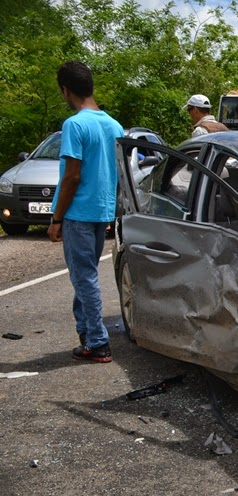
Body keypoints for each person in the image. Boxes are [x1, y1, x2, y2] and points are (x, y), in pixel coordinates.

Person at [47, 61, 125, 363]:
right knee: (86, 276)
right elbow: (119, 172)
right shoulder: (114, 125)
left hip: (78, 213)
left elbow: (72, 176)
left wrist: (56, 218)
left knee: (84, 278)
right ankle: (86, 332)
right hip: (101, 211)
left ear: (66, 90)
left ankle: (97, 341)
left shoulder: (75, 125)